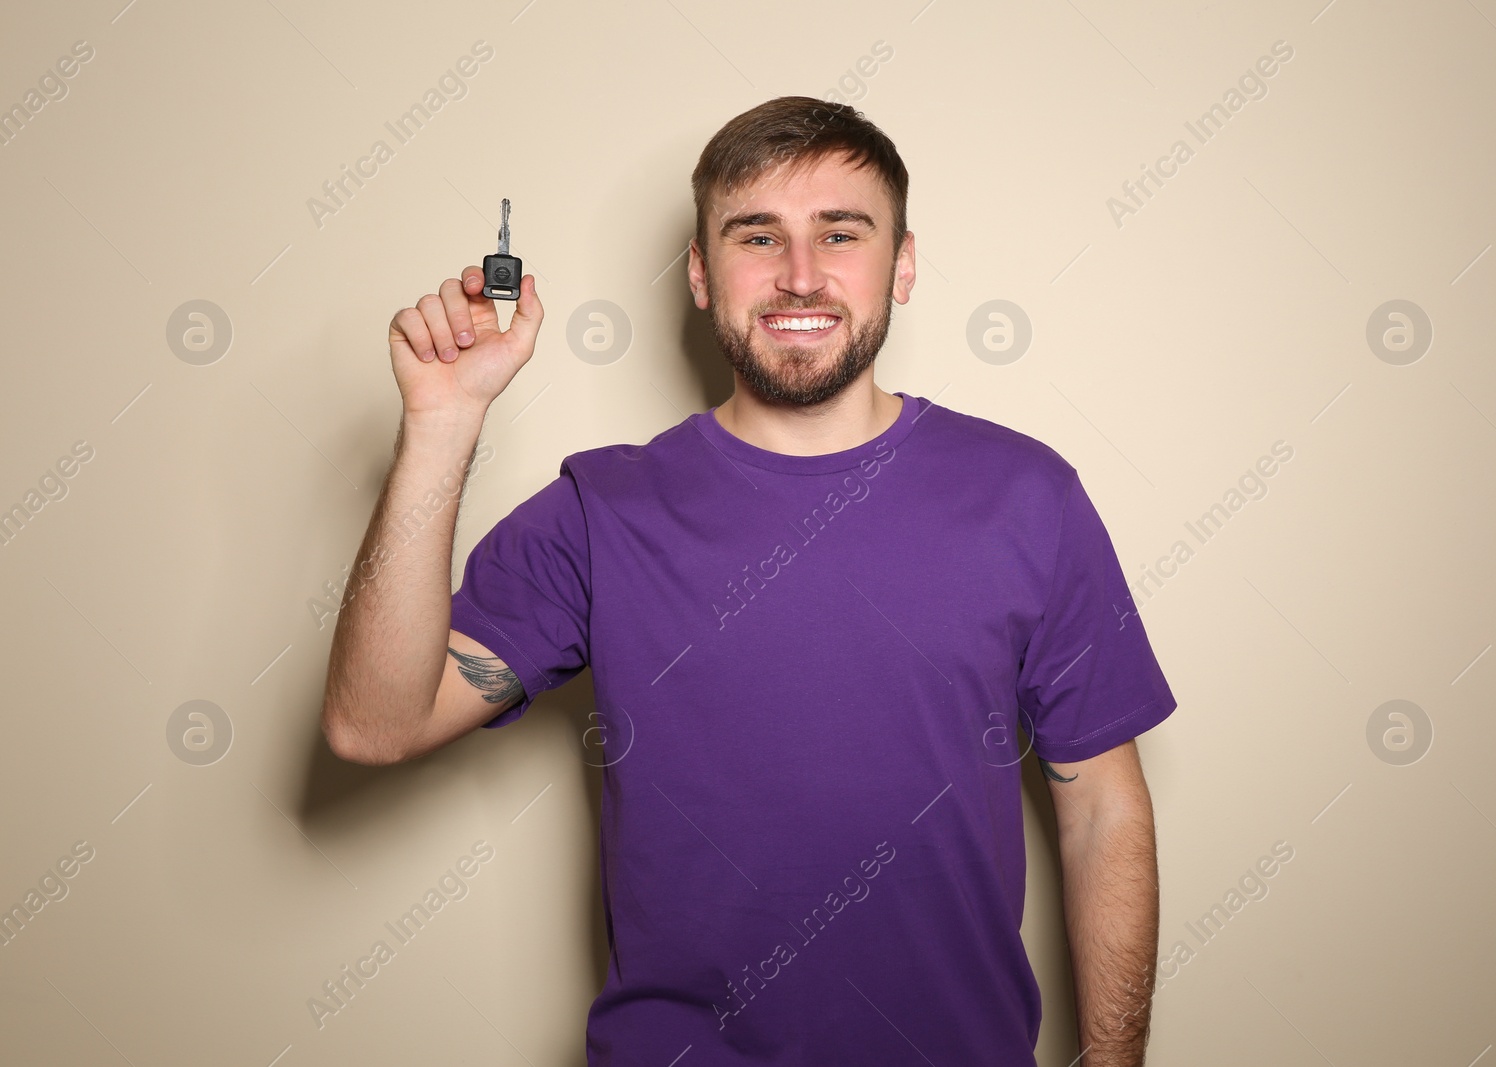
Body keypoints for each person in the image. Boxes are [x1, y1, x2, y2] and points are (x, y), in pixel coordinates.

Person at [320, 96, 1177, 1067]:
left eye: (839, 233)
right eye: (756, 235)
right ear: (699, 271)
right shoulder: (601, 510)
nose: (800, 274)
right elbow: (373, 724)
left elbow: (1104, 811)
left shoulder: (1026, 496)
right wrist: (441, 425)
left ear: (901, 263)